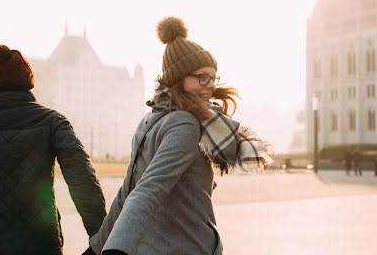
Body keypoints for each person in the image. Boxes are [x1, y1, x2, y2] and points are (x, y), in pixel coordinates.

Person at [84, 16, 274, 255]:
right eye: (201, 77)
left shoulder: (148, 121)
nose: (211, 85)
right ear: (178, 79)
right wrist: (113, 249)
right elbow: (146, 189)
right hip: (187, 247)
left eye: (213, 77)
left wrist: (97, 247)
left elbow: (128, 192)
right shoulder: (185, 123)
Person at [0, 45, 106, 255]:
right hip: (40, 246)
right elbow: (83, 180)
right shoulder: (52, 122)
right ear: (29, 80)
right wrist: (99, 237)